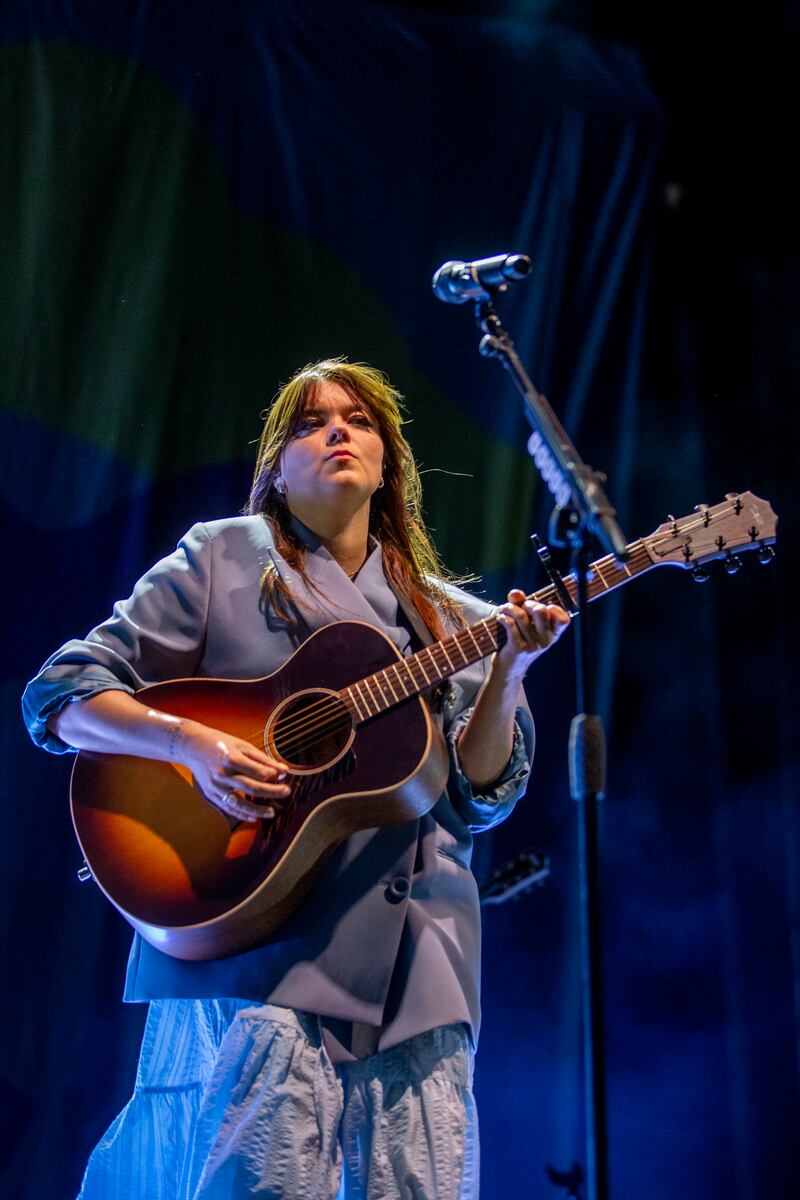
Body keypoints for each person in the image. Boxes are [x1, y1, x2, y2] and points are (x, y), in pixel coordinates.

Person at [22, 358, 569, 1200]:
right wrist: (189, 746)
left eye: (359, 419)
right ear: (276, 467)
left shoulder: (457, 620)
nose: (339, 431)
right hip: (260, 944)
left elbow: (482, 797)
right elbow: (60, 694)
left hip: (421, 962)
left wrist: (510, 673)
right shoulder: (220, 560)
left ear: (390, 460)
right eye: (312, 423)